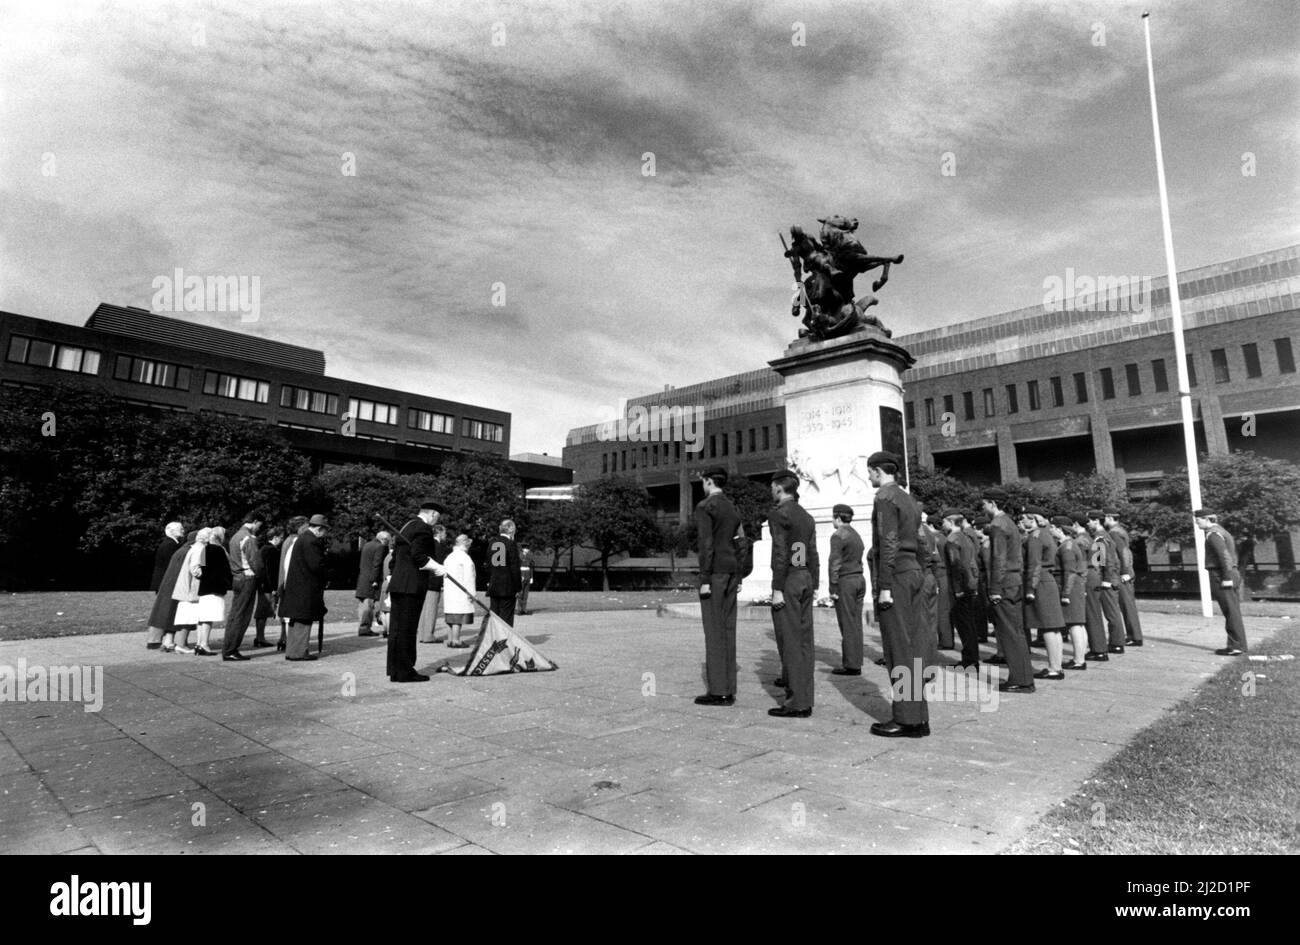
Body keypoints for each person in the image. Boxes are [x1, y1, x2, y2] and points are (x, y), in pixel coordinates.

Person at [867, 451, 933, 737]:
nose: (869, 477)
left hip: (896, 576)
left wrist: (883, 586)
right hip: (914, 572)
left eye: (870, 472)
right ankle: (919, 716)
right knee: (914, 646)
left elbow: (888, 541)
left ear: (878, 472)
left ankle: (906, 719)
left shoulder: (884, 497)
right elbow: (921, 540)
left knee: (898, 648)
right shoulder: (908, 499)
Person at [768, 469, 819, 718]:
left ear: (779, 488)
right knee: (805, 641)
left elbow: (779, 552)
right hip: (805, 576)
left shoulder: (780, 514)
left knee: (790, 642)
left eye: (772, 487)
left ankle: (796, 702)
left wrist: (777, 588)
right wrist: (815, 582)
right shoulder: (806, 516)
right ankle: (805, 697)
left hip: (788, 578)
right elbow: (812, 551)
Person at [694, 466, 742, 706]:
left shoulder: (706, 507)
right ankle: (729, 686)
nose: (703, 484)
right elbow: (741, 543)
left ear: (709, 481)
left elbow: (706, 545)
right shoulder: (732, 508)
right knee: (728, 630)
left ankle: (719, 691)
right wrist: (740, 575)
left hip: (715, 574)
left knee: (713, 631)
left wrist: (704, 579)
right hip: (732, 571)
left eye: (703, 480)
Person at [388, 502, 449, 682]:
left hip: (399, 584)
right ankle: (406, 671)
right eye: (436, 517)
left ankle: (395, 670)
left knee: (397, 630)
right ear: (431, 514)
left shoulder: (407, 526)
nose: (435, 521)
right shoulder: (423, 529)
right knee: (407, 630)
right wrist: (437, 567)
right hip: (412, 586)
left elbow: (395, 557)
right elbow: (419, 556)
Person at [981, 488, 1033, 693]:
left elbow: (998, 558)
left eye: (984, 503)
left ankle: (1020, 679)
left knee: (1009, 632)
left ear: (993, 503)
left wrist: (994, 588)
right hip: (1014, 581)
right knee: (1016, 631)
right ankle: (1023, 677)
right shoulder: (1009, 522)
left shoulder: (997, 525)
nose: (983, 507)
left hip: (1004, 583)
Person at [1021, 506, 1066, 680]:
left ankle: (1054, 668)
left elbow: (1034, 563)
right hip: (1047, 580)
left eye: (1024, 517)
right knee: (1053, 627)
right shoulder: (1046, 533)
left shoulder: (1035, 536)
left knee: (1047, 627)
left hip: (1039, 581)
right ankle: (1057, 666)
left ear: (1032, 518)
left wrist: (1030, 588)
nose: (1022, 520)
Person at [1195, 510, 1248, 655]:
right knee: (1233, 611)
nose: (1196, 523)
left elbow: (1224, 556)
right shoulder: (1222, 531)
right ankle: (1238, 645)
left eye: (1198, 520)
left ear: (1206, 519)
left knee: (1230, 611)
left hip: (1222, 574)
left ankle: (1236, 646)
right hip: (1230, 573)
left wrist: (1226, 577)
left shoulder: (1213, 534)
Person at [280, 514, 330, 662]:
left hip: (297, 587)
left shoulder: (302, 538)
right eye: (325, 530)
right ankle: (299, 652)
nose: (325, 533)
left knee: (296, 620)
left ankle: (292, 651)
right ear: (319, 528)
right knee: (304, 619)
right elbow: (315, 565)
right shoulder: (311, 541)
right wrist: (326, 575)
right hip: (306, 588)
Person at [828, 503, 866, 677]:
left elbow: (834, 563)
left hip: (846, 581)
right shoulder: (856, 535)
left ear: (837, 517)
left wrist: (833, 587)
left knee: (847, 623)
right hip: (859, 578)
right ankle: (856, 660)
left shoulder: (838, 536)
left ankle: (851, 664)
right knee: (856, 623)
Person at [941, 510, 981, 669]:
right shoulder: (966, 537)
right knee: (969, 624)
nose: (942, 524)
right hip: (970, 583)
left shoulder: (952, 539)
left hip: (960, 586)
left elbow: (955, 564)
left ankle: (969, 660)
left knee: (964, 625)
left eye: (944, 521)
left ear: (950, 522)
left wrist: (957, 589)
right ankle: (971, 658)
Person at [223, 511, 266, 659]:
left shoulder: (235, 537)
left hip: (237, 578)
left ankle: (228, 647)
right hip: (248, 578)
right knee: (242, 615)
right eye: (259, 525)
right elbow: (256, 563)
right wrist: (262, 576)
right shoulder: (249, 539)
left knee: (235, 614)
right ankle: (231, 650)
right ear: (254, 521)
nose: (259, 529)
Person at [1050, 516, 1089, 671]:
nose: (1051, 529)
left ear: (1060, 529)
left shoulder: (1067, 547)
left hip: (1069, 587)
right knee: (1078, 624)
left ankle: (1079, 660)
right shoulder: (1070, 544)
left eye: (1053, 527)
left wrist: (1065, 594)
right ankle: (1080, 658)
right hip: (1074, 586)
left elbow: (1070, 572)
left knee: (1074, 624)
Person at [1085, 510, 1126, 656]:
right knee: (1112, 612)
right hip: (1109, 578)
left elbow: (1102, 561)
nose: (1088, 524)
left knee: (1111, 613)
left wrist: (1106, 580)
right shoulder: (1103, 536)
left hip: (1106, 579)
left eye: (1089, 521)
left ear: (1096, 521)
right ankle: (1117, 643)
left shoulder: (1099, 537)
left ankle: (1116, 643)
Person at [1104, 509, 1144, 647]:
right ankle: (1134, 635)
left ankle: (1135, 636)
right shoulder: (1119, 530)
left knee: (1127, 605)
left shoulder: (1114, 533)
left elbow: (1124, 552)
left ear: (1109, 517)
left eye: (1105, 517)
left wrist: (1125, 571)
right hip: (1124, 572)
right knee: (1127, 605)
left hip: (1122, 574)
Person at [191, 526, 231, 657]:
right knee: (209, 617)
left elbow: (202, 567)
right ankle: (204, 644)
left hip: (205, 586)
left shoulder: (205, 549)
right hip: (215, 587)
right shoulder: (220, 550)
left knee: (203, 618)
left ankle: (199, 643)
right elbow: (226, 568)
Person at [146, 523, 187, 649]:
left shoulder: (168, 544)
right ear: (172, 531)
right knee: (165, 611)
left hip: (163, 581)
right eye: (180, 529)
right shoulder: (171, 545)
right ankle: (157, 640)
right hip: (166, 582)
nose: (183, 531)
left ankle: (159, 639)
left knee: (163, 610)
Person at [170, 528, 211, 654]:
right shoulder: (200, 550)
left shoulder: (194, 548)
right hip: (191, 588)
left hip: (186, 587)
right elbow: (195, 569)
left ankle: (181, 643)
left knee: (186, 615)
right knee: (188, 616)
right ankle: (181, 644)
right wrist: (208, 573)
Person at [275, 515, 310, 652]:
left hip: (284, 582)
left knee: (285, 613)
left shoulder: (287, 540)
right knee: (292, 615)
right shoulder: (296, 541)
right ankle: (292, 644)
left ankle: (284, 638)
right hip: (290, 582)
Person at [441, 534, 477, 647]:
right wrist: (472, 593)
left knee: (450, 617)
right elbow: (469, 577)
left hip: (449, 591)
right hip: (461, 591)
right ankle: (456, 640)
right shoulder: (465, 558)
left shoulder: (449, 557)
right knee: (458, 617)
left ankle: (450, 639)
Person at [485, 520, 523, 626]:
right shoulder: (511, 544)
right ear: (510, 529)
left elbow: (488, 564)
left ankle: (495, 639)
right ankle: (503, 640)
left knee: (495, 615)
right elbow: (515, 568)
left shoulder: (492, 542)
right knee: (506, 616)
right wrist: (518, 587)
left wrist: (489, 580)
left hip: (494, 583)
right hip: (507, 585)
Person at [417, 525, 450, 644]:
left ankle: (422, 634)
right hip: (433, 581)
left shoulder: (427, 544)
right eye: (444, 533)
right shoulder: (438, 546)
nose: (445, 535)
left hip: (425, 580)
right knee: (431, 609)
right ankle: (428, 635)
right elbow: (439, 564)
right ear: (439, 533)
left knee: (424, 609)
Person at [253, 528, 284, 647]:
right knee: (264, 612)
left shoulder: (263, 549)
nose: (281, 540)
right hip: (268, 586)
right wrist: (274, 587)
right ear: (275, 537)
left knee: (262, 612)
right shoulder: (272, 550)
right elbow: (271, 571)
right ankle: (260, 638)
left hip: (262, 584)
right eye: (281, 538)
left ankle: (259, 637)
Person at [356, 530, 389, 638]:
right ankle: (365, 628)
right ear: (383, 539)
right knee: (368, 605)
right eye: (387, 541)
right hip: (371, 580)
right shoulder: (380, 547)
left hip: (363, 578)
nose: (388, 544)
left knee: (364, 604)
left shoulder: (367, 545)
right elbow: (377, 564)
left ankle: (363, 627)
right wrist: (375, 580)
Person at [517, 545, 535, 615]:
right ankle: (519, 609)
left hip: (527, 574)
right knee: (520, 593)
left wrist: (531, 577)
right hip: (521, 573)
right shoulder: (519, 555)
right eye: (526, 549)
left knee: (526, 594)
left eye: (528, 549)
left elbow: (531, 567)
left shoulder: (529, 555)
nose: (527, 550)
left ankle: (524, 609)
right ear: (523, 549)